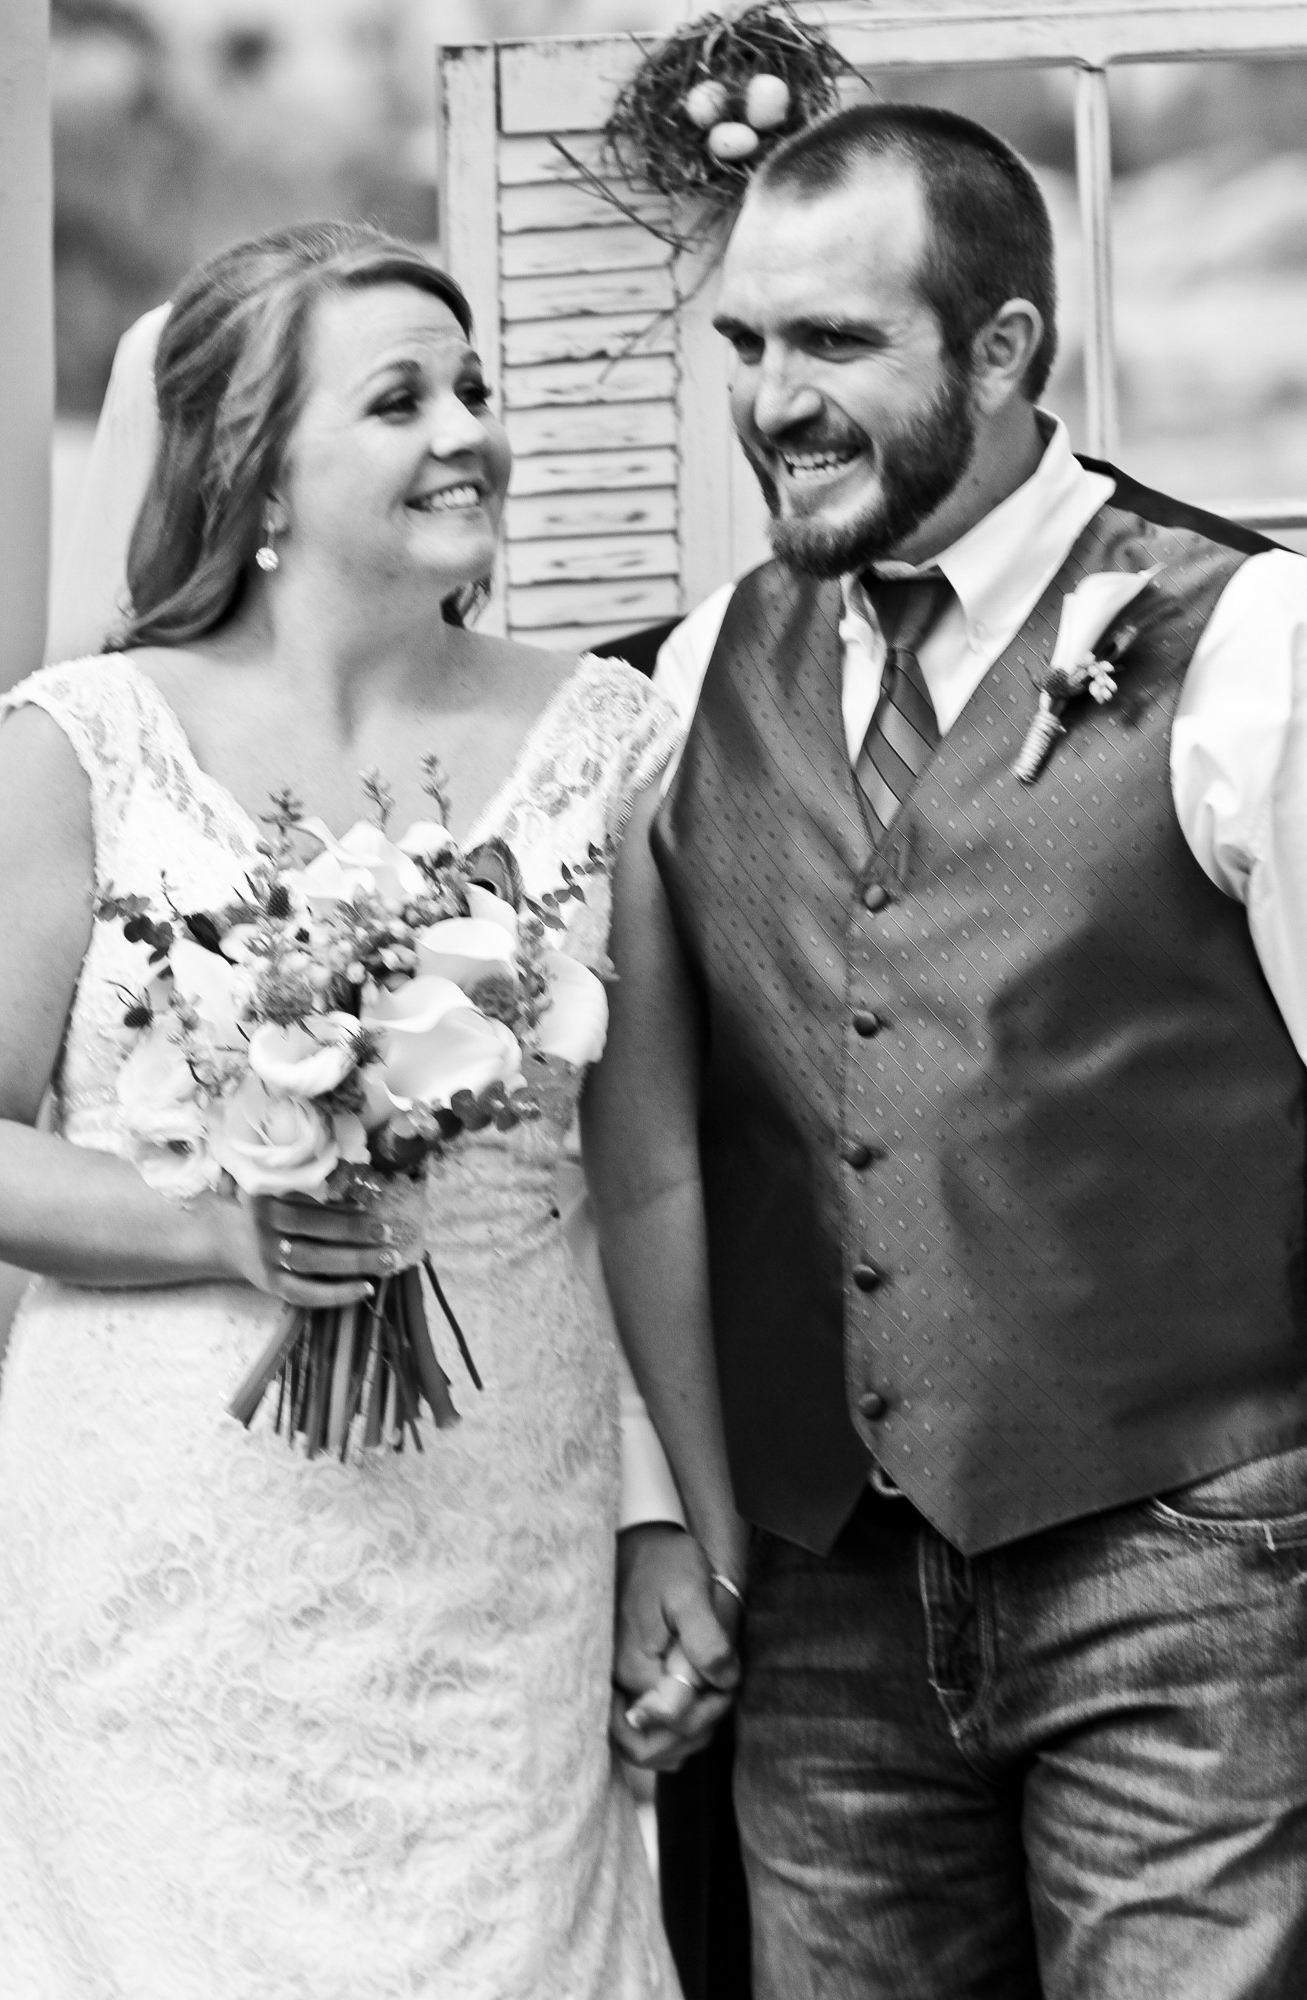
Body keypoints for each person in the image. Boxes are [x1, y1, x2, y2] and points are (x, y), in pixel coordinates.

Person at [590, 102, 1307, 1999]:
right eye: (746, 341)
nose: (771, 401)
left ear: (1000, 352)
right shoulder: (690, 678)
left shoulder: (1252, 640)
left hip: (1185, 1565)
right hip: (821, 1600)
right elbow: (650, 1151)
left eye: (835, 342)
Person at [0, 219, 688, 1998]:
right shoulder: (83, 740)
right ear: (256, 468)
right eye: (399, 400)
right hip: (160, 1531)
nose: (467, 432)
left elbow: (652, 1176)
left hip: (500, 1520)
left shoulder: (606, 738)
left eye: (474, 389)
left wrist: (673, 1517)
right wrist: (222, 1226)